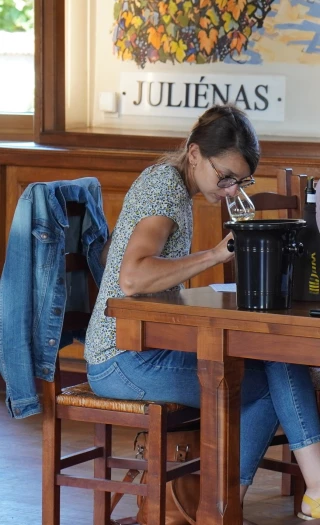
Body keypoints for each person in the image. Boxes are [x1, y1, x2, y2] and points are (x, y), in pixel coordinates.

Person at [85, 104, 320, 523]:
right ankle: (224, 504)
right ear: (194, 153)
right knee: (269, 376)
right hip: (121, 359)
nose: (231, 191)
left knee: (269, 364)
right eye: (225, 177)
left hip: (143, 348)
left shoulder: (175, 186)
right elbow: (133, 278)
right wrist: (215, 254)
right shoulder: (165, 190)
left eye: (240, 181)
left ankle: (223, 503)